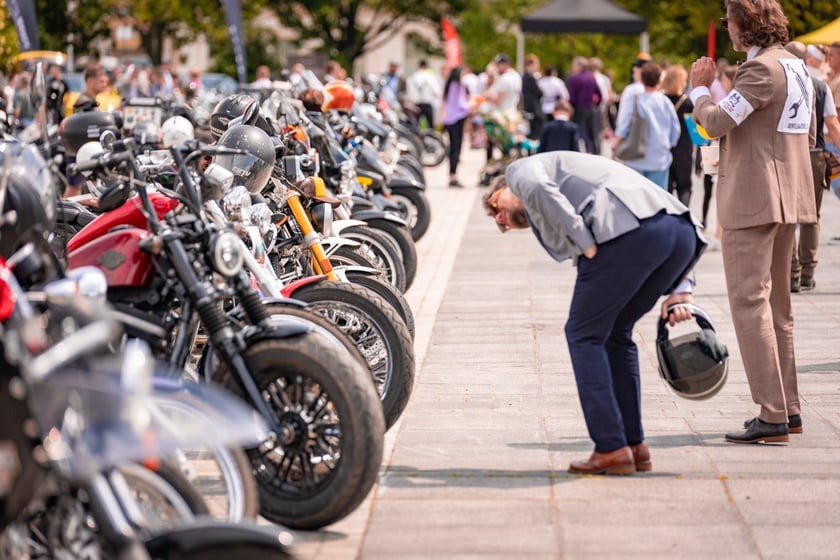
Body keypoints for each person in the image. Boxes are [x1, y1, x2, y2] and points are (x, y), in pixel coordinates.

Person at [482, 151, 706, 474]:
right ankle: (633, 445)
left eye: (494, 207)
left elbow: (537, 187)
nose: (499, 218)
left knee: (582, 334)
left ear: (502, 187)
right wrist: (682, 285)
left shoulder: (519, 171)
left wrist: (584, 241)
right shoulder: (579, 180)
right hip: (679, 232)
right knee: (616, 334)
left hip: (631, 231)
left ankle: (610, 448)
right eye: (497, 223)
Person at [690, 0, 816, 444]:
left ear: (744, 25)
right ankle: (789, 407)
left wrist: (700, 90)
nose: (727, 29)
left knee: (748, 302)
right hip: (789, 195)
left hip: (754, 197)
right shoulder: (796, 66)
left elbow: (715, 123)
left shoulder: (759, 70)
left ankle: (772, 413)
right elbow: (810, 134)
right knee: (778, 308)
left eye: (730, 21)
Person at [785, 41, 840, 293]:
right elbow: (833, 124)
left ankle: (792, 273)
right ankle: (807, 272)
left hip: (786, 155)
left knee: (788, 217)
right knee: (811, 216)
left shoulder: (781, 85)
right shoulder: (820, 86)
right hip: (815, 153)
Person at [611, 62, 681, 190]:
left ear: (641, 80)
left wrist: (615, 146)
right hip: (659, 158)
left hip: (635, 157)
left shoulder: (635, 99)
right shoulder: (665, 101)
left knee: (634, 198)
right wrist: (668, 145)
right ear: (660, 80)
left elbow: (623, 126)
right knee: (657, 199)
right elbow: (675, 129)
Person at [662, 65, 694, 206]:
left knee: (666, 188)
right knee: (684, 187)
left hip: (664, 148)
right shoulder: (687, 103)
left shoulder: (661, 100)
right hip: (684, 149)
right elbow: (695, 131)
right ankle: (684, 215)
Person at [441, 66, 471, 187]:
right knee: (456, 148)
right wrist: (471, 105)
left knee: (453, 147)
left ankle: (452, 174)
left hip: (449, 119)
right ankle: (453, 175)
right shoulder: (457, 86)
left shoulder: (449, 85)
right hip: (457, 119)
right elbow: (461, 104)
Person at [567, 57, 601, 154]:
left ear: (578, 66)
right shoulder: (591, 77)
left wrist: (571, 109)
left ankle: (577, 152)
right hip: (591, 108)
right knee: (592, 134)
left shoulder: (574, 78)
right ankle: (596, 153)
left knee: (577, 133)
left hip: (578, 108)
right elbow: (599, 93)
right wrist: (596, 105)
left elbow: (572, 97)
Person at [406, 59, 441, 130]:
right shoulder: (430, 77)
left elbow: (408, 94)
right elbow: (437, 92)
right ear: (426, 66)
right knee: (431, 127)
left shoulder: (411, 77)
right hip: (427, 104)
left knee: (415, 127)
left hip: (415, 105)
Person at [521, 54, 545, 139]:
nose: (537, 67)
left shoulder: (527, 77)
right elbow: (539, 92)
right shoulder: (529, 78)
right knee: (534, 135)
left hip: (531, 109)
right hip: (533, 110)